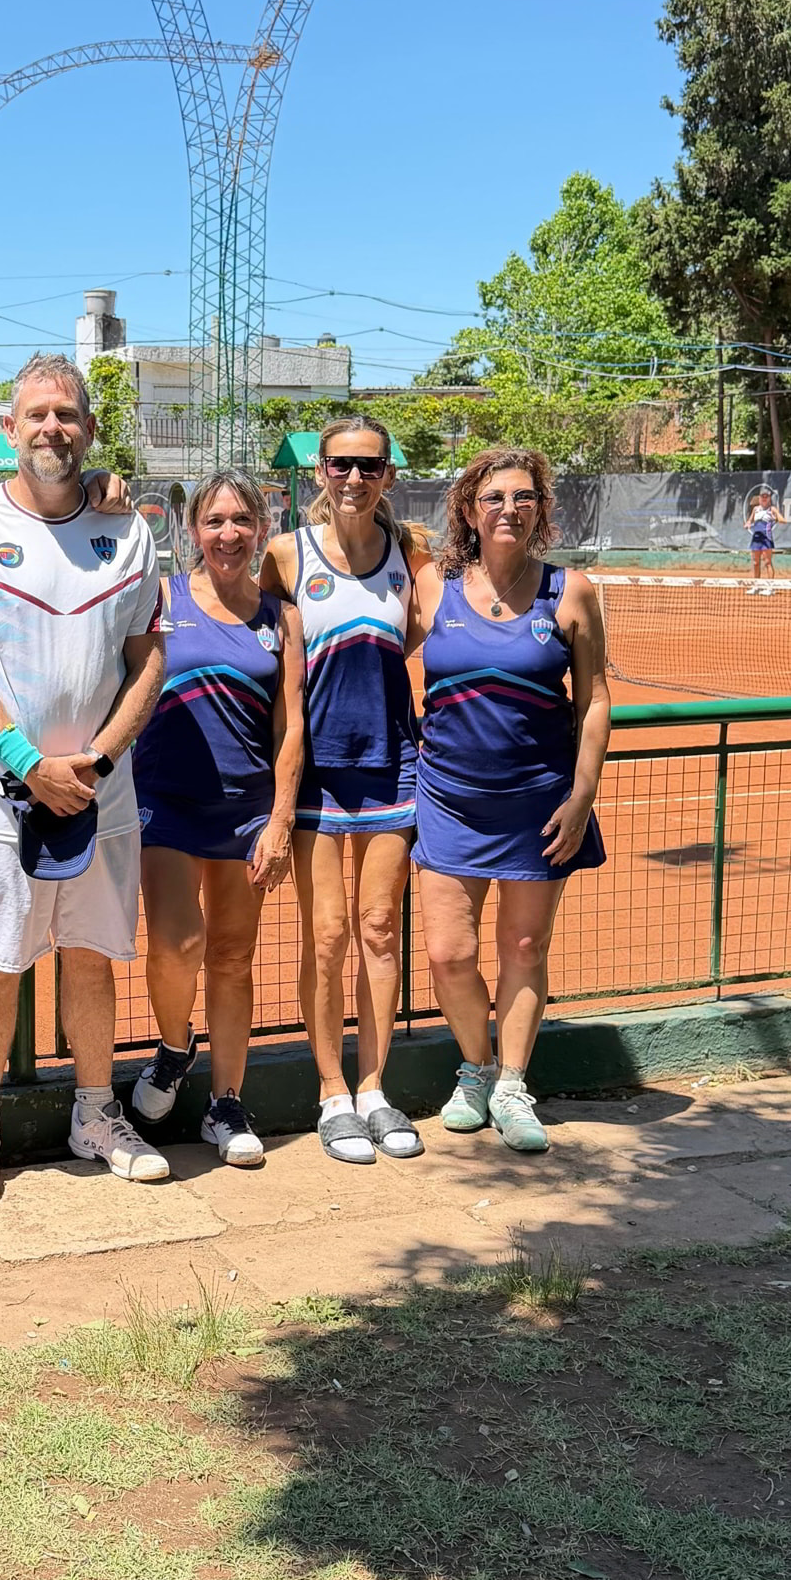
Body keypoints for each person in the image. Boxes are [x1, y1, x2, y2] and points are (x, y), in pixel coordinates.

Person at [0, 355, 167, 1209]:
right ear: (9, 429)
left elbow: (149, 660)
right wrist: (31, 766)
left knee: (93, 961)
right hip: (2, 806)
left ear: (90, 430)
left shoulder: (128, 530)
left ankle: (95, 1116)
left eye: (66, 414)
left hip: (103, 800)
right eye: (36, 414)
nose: (51, 428)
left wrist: (95, 762)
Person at [411, 448, 610, 1153]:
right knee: (448, 953)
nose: (509, 509)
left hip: (539, 801)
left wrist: (582, 795)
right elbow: (378, 650)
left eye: (524, 497)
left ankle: (512, 1084)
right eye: (493, 497)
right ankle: (475, 1067)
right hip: (448, 798)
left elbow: (594, 700)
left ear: (540, 510)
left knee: (525, 945)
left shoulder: (570, 591)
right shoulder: (432, 585)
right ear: (469, 510)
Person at [261, 415, 431, 1164]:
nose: (354, 478)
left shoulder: (411, 555)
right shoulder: (286, 555)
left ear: (388, 474)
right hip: (317, 772)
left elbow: (421, 633)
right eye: (341, 464)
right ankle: (332, 1091)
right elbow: (261, 645)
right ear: (320, 471)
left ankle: (374, 1088)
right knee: (327, 935)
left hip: (393, 762)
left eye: (369, 465)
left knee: (380, 929)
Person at [129, 469, 304, 1167]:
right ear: (192, 530)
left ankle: (226, 1102)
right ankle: (175, 1048)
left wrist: (280, 819)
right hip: (165, 800)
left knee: (233, 956)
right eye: (214, 521)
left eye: (241, 521)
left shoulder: (281, 617)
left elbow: (291, 725)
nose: (228, 534)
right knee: (178, 942)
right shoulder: (160, 598)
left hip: (246, 810)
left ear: (261, 528)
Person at [746, 486, 789, 593]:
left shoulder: (772, 509)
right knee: (756, 562)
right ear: (759, 498)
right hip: (756, 539)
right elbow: (750, 521)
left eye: (766, 497)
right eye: (762, 497)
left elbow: (783, 520)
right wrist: (748, 524)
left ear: (769, 499)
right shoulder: (755, 509)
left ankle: (770, 588)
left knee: (767, 562)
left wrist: (776, 518)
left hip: (766, 538)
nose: (764, 499)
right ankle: (756, 586)